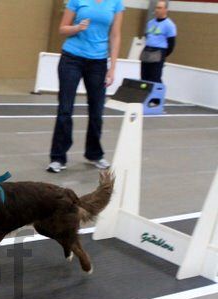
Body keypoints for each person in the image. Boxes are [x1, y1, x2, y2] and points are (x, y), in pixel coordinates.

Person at [47, 0, 124, 173]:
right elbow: (62, 28)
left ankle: (94, 154)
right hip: (72, 58)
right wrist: (76, 28)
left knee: (97, 111)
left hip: (98, 62)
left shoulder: (116, 3)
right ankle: (58, 157)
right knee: (65, 109)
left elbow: (115, 35)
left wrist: (112, 68)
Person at [141, 0, 176, 83]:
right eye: (156, 8)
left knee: (154, 77)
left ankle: (157, 95)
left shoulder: (169, 25)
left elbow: (171, 44)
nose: (157, 10)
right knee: (144, 76)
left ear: (165, 10)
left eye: (160, 8)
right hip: (147, 50)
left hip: (159, 52)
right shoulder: (150, 23)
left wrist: (163, 55)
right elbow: (148, 37)